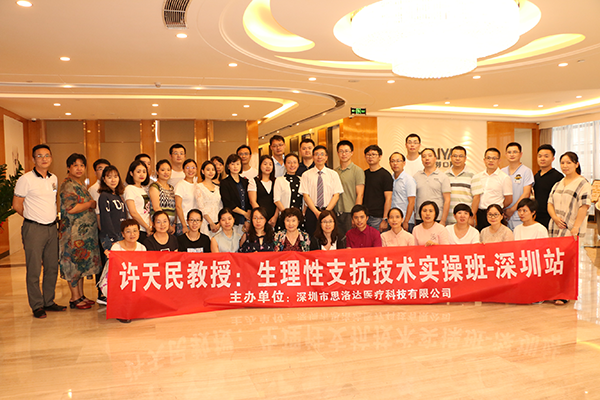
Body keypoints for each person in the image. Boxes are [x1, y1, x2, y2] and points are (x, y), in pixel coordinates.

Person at [13, 144, 66, 318]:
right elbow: (17, 205)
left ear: (51, 158)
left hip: (51, 228)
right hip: (34, 228)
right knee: (34, 269)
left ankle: (48, 301)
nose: (44, 159)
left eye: (47, 155)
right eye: (40, 156)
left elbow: (53, 202)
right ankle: (37, 305)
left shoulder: (53, 178)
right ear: (33, 159)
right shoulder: (26, 179)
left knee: (52, 267)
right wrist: (32, 217)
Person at [58, 153, 101, 310]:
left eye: (82, 165)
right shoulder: (68, 185)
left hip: (83, 235)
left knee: (80, 264)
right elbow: (71, 208)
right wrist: (90, 204)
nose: (79, 168)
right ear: (68, 167)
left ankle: (81, 295)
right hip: (72, 234)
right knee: (73, 265)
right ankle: (74, 298)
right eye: (75, 165)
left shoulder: (80, 184)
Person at [299, 145, 344, 236]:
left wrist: (326, 212)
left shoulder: (333, 174)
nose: (319, 157)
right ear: (313, 157)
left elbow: (336, 195)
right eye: (317, 154)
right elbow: (306, 196)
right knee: (312, 237)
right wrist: (316, 212)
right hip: (312, 212)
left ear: (326, 157)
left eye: (322, 154)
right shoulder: (306, 175)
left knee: (329, 236)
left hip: (329, 211)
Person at [548, 151, 592, 240]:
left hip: (572, 229)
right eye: (562, 163)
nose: (565, 166)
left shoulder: (583, 184)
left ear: (576, 164)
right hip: (555, 227)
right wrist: (555, 218)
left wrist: (576, 227)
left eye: (569, 163)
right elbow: (550, 203)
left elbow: (584, 206)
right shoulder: (558, 184)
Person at [87, 158, 110, 303]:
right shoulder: (94, 189)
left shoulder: (112, 188)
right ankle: (102, 293)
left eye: (106, 168)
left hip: (112, 231)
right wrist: (103, 234)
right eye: (100, 168)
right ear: (95, 172)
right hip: (102, 231)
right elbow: (98, 213)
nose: (103, 171)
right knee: (102, 262)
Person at [474, 148, 513, 231]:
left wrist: (498, 208)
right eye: (488, 158)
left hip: (495, 215)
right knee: (482, 236)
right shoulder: (478, 176)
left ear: (499, 161)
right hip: (480, 214)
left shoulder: (504, 178)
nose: (491, 160)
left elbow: (509, 199)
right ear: (484, 160)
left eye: (494, 158)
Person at [334, 140, 364, 238]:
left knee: (350, 240)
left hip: (349, 212)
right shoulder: (334, 172)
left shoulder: (357, 171)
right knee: (338, 240)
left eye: (346, 151)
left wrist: (355, 215)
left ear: (352, 152)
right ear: (337, 153)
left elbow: (360, 194)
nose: (344, 154)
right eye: (341, 151)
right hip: (336, 212)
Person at [413, 148, 451, 225]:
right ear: (421, 160)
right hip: (420, 217)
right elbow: (413, 199)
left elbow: (447, 200)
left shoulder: (443, 177)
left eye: (430, 156)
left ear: (435, 158)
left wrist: (443, 220)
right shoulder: (416, 176)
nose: (427, 158)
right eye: (424, 156)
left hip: (437, 217)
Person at [502, 142, 534, 230]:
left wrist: (512, 210)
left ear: (521, 154)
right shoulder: (502, 171)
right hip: (504, 215)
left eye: (515, 152)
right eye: (509, 152)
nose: (512, 154)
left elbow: (526, 193)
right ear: (506, 154)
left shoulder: (526, 171)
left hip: (519, 213)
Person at [445, 146, 481, 226]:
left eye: (461, 156)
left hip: (466, 219)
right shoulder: (445, 175)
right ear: (451, 157)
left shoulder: (473, 174)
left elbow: (476, 197)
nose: (457, 158)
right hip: (449, 219)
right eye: (455, 156)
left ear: (465, 158)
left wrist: (471, 217)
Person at [363, 144, 393, 232]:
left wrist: (385, 219)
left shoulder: (385, 175)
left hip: (378, 217)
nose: (371, 157)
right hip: (364, 216)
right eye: (368, 155)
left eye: (374, 154)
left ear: (380, 157)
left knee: (377, 240)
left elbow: (388, 198)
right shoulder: (364, 174)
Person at [98, 165, 127, 254]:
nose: (113, 180)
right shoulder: (104, 196)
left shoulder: (118, 195)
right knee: (112, 261)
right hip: (110, 236)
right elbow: (105, 218)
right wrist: (113, 238)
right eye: (109, 177)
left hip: (121, 233)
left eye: (115, 176)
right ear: (104, 179)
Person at [533, 144, 563, 228]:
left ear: (553, 158)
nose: (542, 159)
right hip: (537, 215)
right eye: (540, 156)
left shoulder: (558, 177)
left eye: (546, 156)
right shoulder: (536, 176)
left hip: (552, 216)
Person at [124, 160, 151, 243]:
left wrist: (150, 226)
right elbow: (133, 212)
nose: (142, 174)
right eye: (138, 172)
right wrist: (146, 227)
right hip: (137, 229)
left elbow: (147, 210)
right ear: (131, 173)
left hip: (147, 228)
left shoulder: (143, 189)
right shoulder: (129, 189)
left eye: (144, 171)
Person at [220, 154, 250, 228]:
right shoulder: (224, 183)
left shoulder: (245, 181)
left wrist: (248, 218)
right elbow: (228, 202)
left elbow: (249, 201)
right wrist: (244, 213)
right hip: (233, 219)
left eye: (238, 164)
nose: (235, 166)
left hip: (246, 220)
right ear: (228, 166)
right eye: (232, 164)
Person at [248, 155, 278, 228]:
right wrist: (261, 217)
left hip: (274, 219)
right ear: (260, 165)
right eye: (265, 164)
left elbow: (278, 201)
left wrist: (275, 217)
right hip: (258, 219)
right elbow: (252, 201)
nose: (268, 166)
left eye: (270, 164)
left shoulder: (277, 181)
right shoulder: (253, 181)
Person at [389, 152, 416, 233]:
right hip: (393, 220)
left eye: (398, 161)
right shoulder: (390, 179)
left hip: (405, 220)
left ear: (404, 163)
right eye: (393, 161)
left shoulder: (408, 180)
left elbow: (412, 202)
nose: (395, 163)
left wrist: (406, 221)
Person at [148, 159, 176, 230]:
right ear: (157, 172)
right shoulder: (154, 186)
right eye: (163, 170)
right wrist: (166, 224)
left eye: (168, 170)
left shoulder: (171, 188)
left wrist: (174, 224)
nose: (166, 172)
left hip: (171, 225)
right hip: (160, 225)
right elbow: (156, 207)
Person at [197, 160, 222, 237]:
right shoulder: (199, 186)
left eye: (213, 170)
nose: (211, 172)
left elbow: (221, 206)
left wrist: (219, 223)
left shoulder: (218, 188)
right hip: (205, 222)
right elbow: (200, 207)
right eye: (208, 170)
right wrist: (211, 223)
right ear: (203, 171)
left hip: (218, 223)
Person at [175, 159, 199, 235]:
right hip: (184, 223)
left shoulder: (197, 185)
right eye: (187, 168)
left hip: (195, 223)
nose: (190, 170)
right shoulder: (180, 185)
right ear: (183, 170)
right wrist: (184, 225)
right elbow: (178, 206)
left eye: (193, 167)